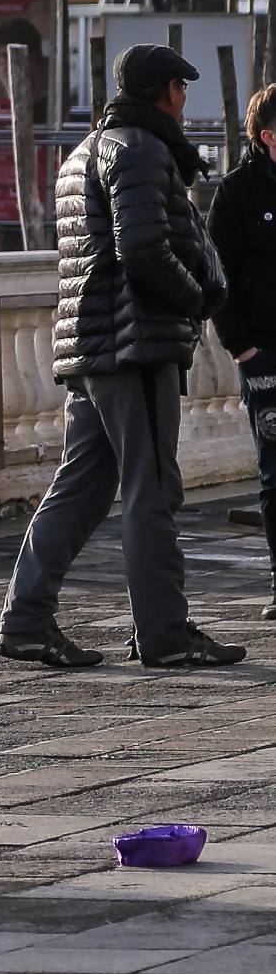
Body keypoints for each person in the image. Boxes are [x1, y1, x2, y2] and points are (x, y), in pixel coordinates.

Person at [0, 43, 244, 671]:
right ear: (166, 92)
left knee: (83, 487)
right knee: (153, 487)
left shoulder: (85, 152)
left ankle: (26, 621)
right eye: (181, 89)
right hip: (132, 345)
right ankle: (163, 633)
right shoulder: (139, 150)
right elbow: (143, 250)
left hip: (91, 344)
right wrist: (195, 303)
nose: (186, 101)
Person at [207, 83, 276, 618]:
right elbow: (217, 277)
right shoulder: (235, 194)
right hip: (265, 352)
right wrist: (242, 349)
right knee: (275, 468)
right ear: (267, 136)